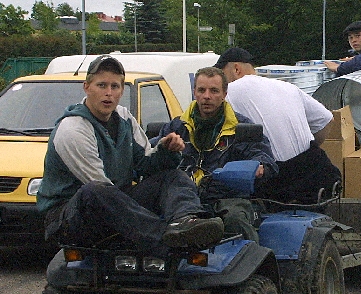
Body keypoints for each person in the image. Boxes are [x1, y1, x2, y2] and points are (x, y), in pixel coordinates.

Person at [36, 55, 224, 258]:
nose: (108, 93)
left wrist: (166, 151)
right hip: (71, 217)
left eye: (115, 87)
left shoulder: (124, 118)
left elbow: (145, 165)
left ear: (122, 91)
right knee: (95, 191)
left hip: (117, 203)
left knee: (174, 176)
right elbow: (102, 188)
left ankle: (186, 222)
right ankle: (166, 238)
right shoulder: (73, 129)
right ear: (87, 87)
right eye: (102, 85)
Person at [152, 66, 278, 243]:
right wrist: (163, 147)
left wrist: (258, 167)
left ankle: (253, 268)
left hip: (227, 198)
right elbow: (148, 154)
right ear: (194, 92)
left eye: (214, 91)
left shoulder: (240, 127)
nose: (207, 96)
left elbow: (265, 158)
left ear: (224, 94)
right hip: (182, 199)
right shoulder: (177, 127)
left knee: (236, 220)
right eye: (202, 90)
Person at [214, 47, 341, 205]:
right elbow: (327, 119)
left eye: (221, 74)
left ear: (236, 69)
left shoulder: (228, 93)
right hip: (315, 176)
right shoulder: (287, 87)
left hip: (275, 187)